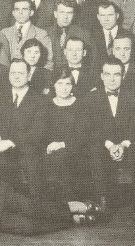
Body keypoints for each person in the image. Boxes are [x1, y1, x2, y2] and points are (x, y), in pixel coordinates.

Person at [86, 58, 135, 221]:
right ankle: (102, 201)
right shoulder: (92, 98)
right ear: (101, 76)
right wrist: (110, 145)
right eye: (107, 74)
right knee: (94, 152)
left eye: (116, 74)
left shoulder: (134, 97)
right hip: (103, 145)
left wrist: (123, 144)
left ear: (123, 75)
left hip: (127, 143)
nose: (112, 79)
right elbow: (91, 129)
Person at [0, 59, 48, 198]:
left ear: (29, 76)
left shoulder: (40, 100)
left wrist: (10, 142)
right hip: (0, 151)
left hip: (28, 150)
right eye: (13, 73)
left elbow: (38, 132)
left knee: (32, 173)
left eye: (21, 73)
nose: (16, 77)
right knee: (0, 168)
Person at [43, 69, 90, 202]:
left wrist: (62, 144)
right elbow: (42, 131)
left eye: (68, 84)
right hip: (50, 149)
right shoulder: (46, 104)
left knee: (62, 159)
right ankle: (62, 208)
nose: (64, 88)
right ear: (53, 85)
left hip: (76, 149)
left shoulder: (81, 104)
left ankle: (70, 204)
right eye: (60, 83)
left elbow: (82, 134)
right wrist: (50, 146)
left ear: (72, 86)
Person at [2, 0, 54, 70]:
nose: (20, 12)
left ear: (31, 12)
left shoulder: (41, 34)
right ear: (13, 13)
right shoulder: (4, 33)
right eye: (17, 9)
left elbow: (48, 62)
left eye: (24, 9)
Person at [47, 0, 93, 70]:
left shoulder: (84, 34)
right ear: (55, 14)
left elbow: (90, 61)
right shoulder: (45, 33)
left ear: (73, 15)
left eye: (69, 13)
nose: (66, 17)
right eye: (62, 12)